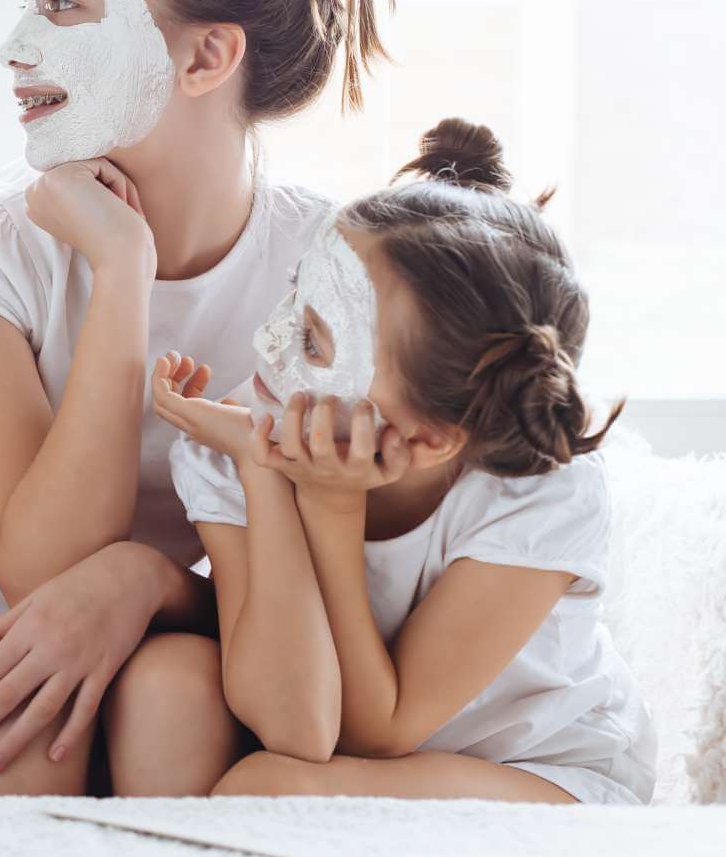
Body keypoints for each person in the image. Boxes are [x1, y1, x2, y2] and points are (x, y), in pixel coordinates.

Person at [0, 0, 443, 796]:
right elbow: (40, 564)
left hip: (224, 678)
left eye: (65, 8)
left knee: (173, 683)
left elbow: (344, 583)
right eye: (27, 3)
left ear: (206, 59)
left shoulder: (336, 266)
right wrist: (122, 271)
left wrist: (145, 581)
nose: (16, 47)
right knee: (32, 719)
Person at [151, 118, 655, 803]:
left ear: (427, 439)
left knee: (264, 790)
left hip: (541, 771)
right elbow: (294, 729)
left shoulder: (540, 496)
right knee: (211, 732)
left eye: (315, 342)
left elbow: (376, 734)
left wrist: (331, 508)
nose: (268, 343)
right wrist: (261, 471)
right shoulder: (246, 435)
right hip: (350, 755)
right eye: (293, 294)